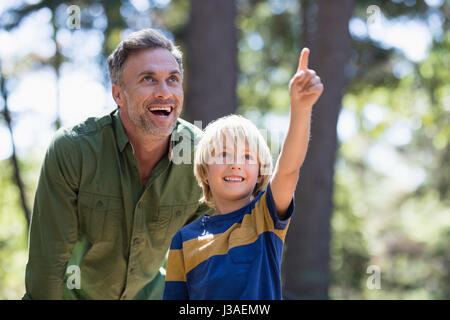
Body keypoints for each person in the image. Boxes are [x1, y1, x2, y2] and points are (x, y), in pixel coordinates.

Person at [23, 28, 211, 300]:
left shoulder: (203, 156)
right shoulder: (74, 150)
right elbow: (48, 266)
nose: (164, 92)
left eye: (173, 79)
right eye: (148, 79)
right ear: (119, 95)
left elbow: (208, 259)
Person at [163, 48, 324, 299]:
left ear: (260, 173)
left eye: (248, 157)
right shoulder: (183, 240)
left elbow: (289, 168)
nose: (236, 164)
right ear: (205, 171)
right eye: (224, 155)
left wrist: (300, 108)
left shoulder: (265, 217)